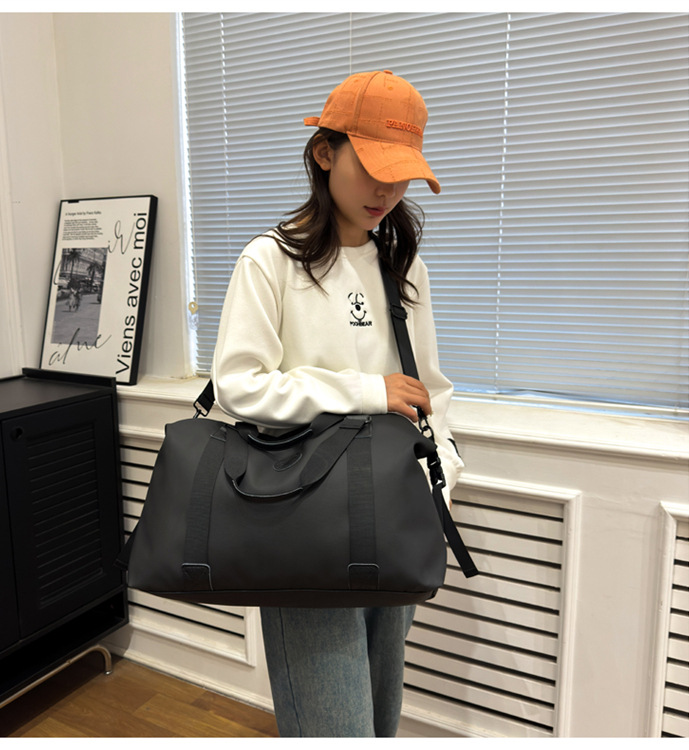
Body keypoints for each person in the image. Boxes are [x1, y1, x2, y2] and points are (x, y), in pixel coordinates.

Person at [211, 70, 464, 738]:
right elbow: (239, 385)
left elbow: (430, 389)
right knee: (332, 723)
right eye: (373, 168)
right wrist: (365, 391)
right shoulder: (271, 260)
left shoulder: (403, 266)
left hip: (393, 512)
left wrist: (443, 477)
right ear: (325, 153)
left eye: (401, 175)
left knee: (380, 712)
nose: (387, 190)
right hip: (303, 520)